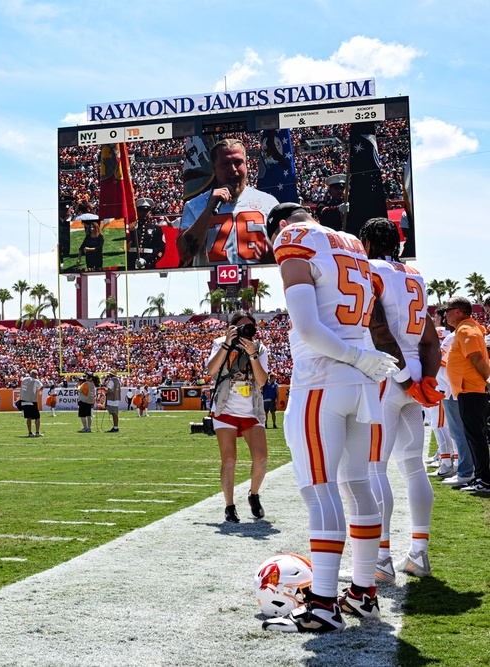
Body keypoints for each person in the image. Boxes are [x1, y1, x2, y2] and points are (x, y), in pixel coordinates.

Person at [262, 202, 397, 634]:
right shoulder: (355, 243)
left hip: (322, 379)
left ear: (281, 226)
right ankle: (362, 594)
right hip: (361, 383)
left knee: (320, 490)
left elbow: (307, 327)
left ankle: (321, 605)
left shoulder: (292, 237)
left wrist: (356, 356)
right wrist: (364, 359)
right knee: (358, 484)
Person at [359, 217, 444, 581]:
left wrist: (407, 379)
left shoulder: (371, 270)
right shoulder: (416, 275)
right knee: (414, 467)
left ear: (367, 243)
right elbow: (429, 338)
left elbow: (378, 329)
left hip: (386, 375)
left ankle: (381, 560)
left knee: (374, 469)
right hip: (412, 371)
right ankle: (419, 554)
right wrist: (425, 379)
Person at [206, 311, 270, 524]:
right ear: (231, 328)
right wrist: (226, 344)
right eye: (240, 327)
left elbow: (261, 381)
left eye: (249, 328)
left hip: (251, 408)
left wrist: (252, 355)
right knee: (230, 460)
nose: (245, 332)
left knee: (261, 459)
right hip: (225, 407)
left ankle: (254, 494)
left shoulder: (260, 348)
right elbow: (211, 370)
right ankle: (229, 506)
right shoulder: (220, 343)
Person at [177, 138, 281, 267]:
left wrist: (275, 256)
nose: (233, 169)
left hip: (258, 284)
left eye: (238, 162)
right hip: (211, 284)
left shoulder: (268, 203)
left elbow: (285, 251)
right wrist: (209, 209)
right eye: (225, 164)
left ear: (246, 164)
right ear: (214, 168)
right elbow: (184, 253)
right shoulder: (194, 206)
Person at [444, 296, 490, 495]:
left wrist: (489, 380)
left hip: (471, 389)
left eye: (448, 309)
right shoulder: (468, 328)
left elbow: (477, 358)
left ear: (458, 311)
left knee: (476, 436)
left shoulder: (465, 330)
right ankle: (479, 477)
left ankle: (484, 480)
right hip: (468, 389)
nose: (445, 313)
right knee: (475, 436)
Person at [128, 197, 166, 270]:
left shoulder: (156, 229)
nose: (143, 213)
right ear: (137, 212)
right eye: (141, 211)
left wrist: (147, 260)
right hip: (131, 263)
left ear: (150, 213)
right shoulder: (130, 228)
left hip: (148, 265)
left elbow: (160, 249)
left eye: (146, 211)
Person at [18, 369, 43, 437]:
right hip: (32, 401)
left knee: (28, 417)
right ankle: (37, 432)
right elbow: (41, 386)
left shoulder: (24, 380)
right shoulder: (35, 381)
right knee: (37, 417)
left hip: (24, 401)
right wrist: (39, 391)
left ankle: (30, 433)